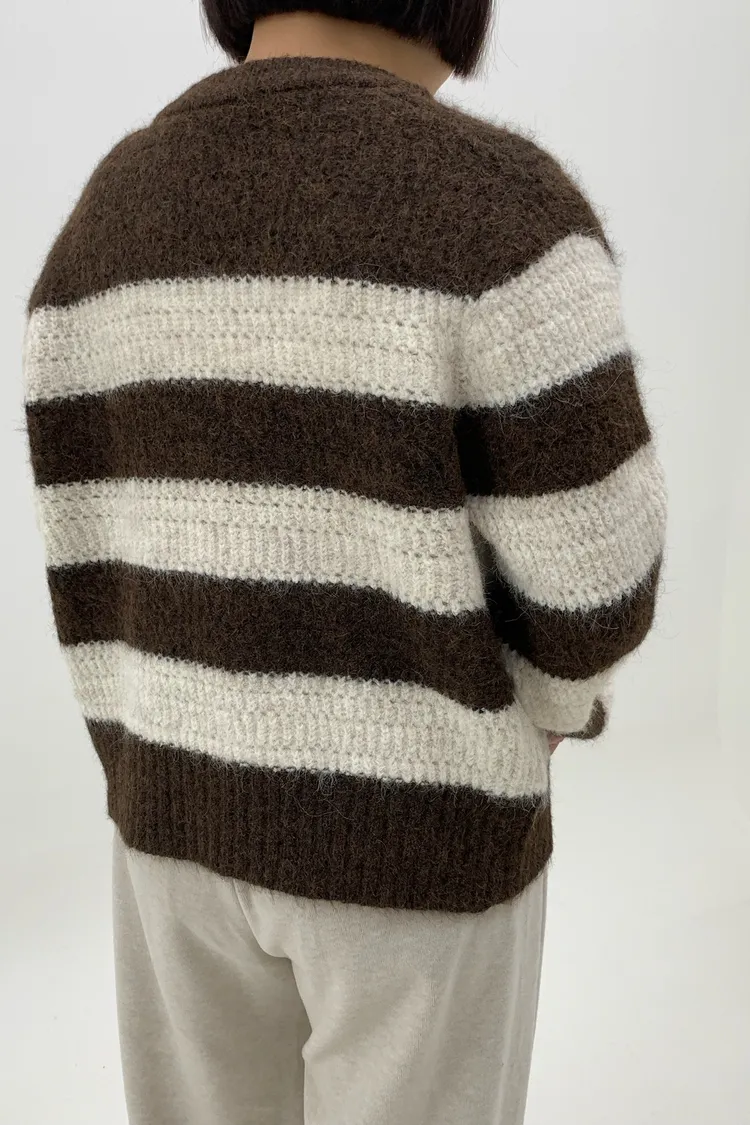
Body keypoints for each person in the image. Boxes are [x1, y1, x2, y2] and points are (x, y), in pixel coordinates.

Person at [21, 1, 667, 1122]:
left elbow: (82, 534)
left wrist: (150, 751)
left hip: (172, 835)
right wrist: (550, 712)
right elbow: (600, 572)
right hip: (422, 847)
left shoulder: (106, 212)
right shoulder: (502, 209)